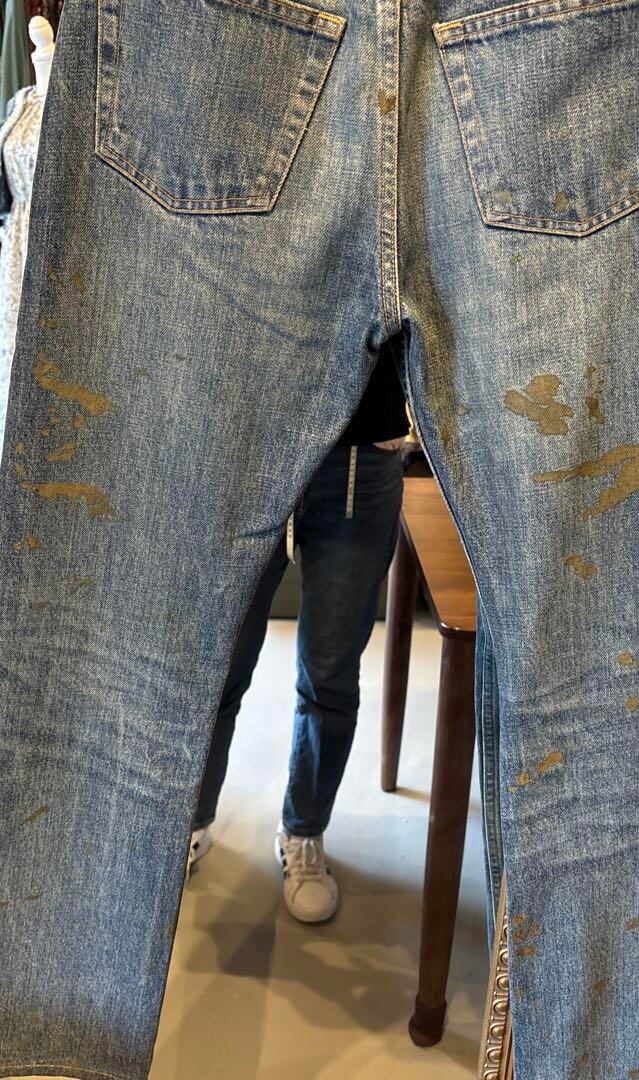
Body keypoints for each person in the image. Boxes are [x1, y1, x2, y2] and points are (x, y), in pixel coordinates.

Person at [189, 354, 407, 923]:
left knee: (330, 671)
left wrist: (412, 401)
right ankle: (188, 816)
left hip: (362, 448)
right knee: (217, 659)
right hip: (250, 439)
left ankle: (304, 831)